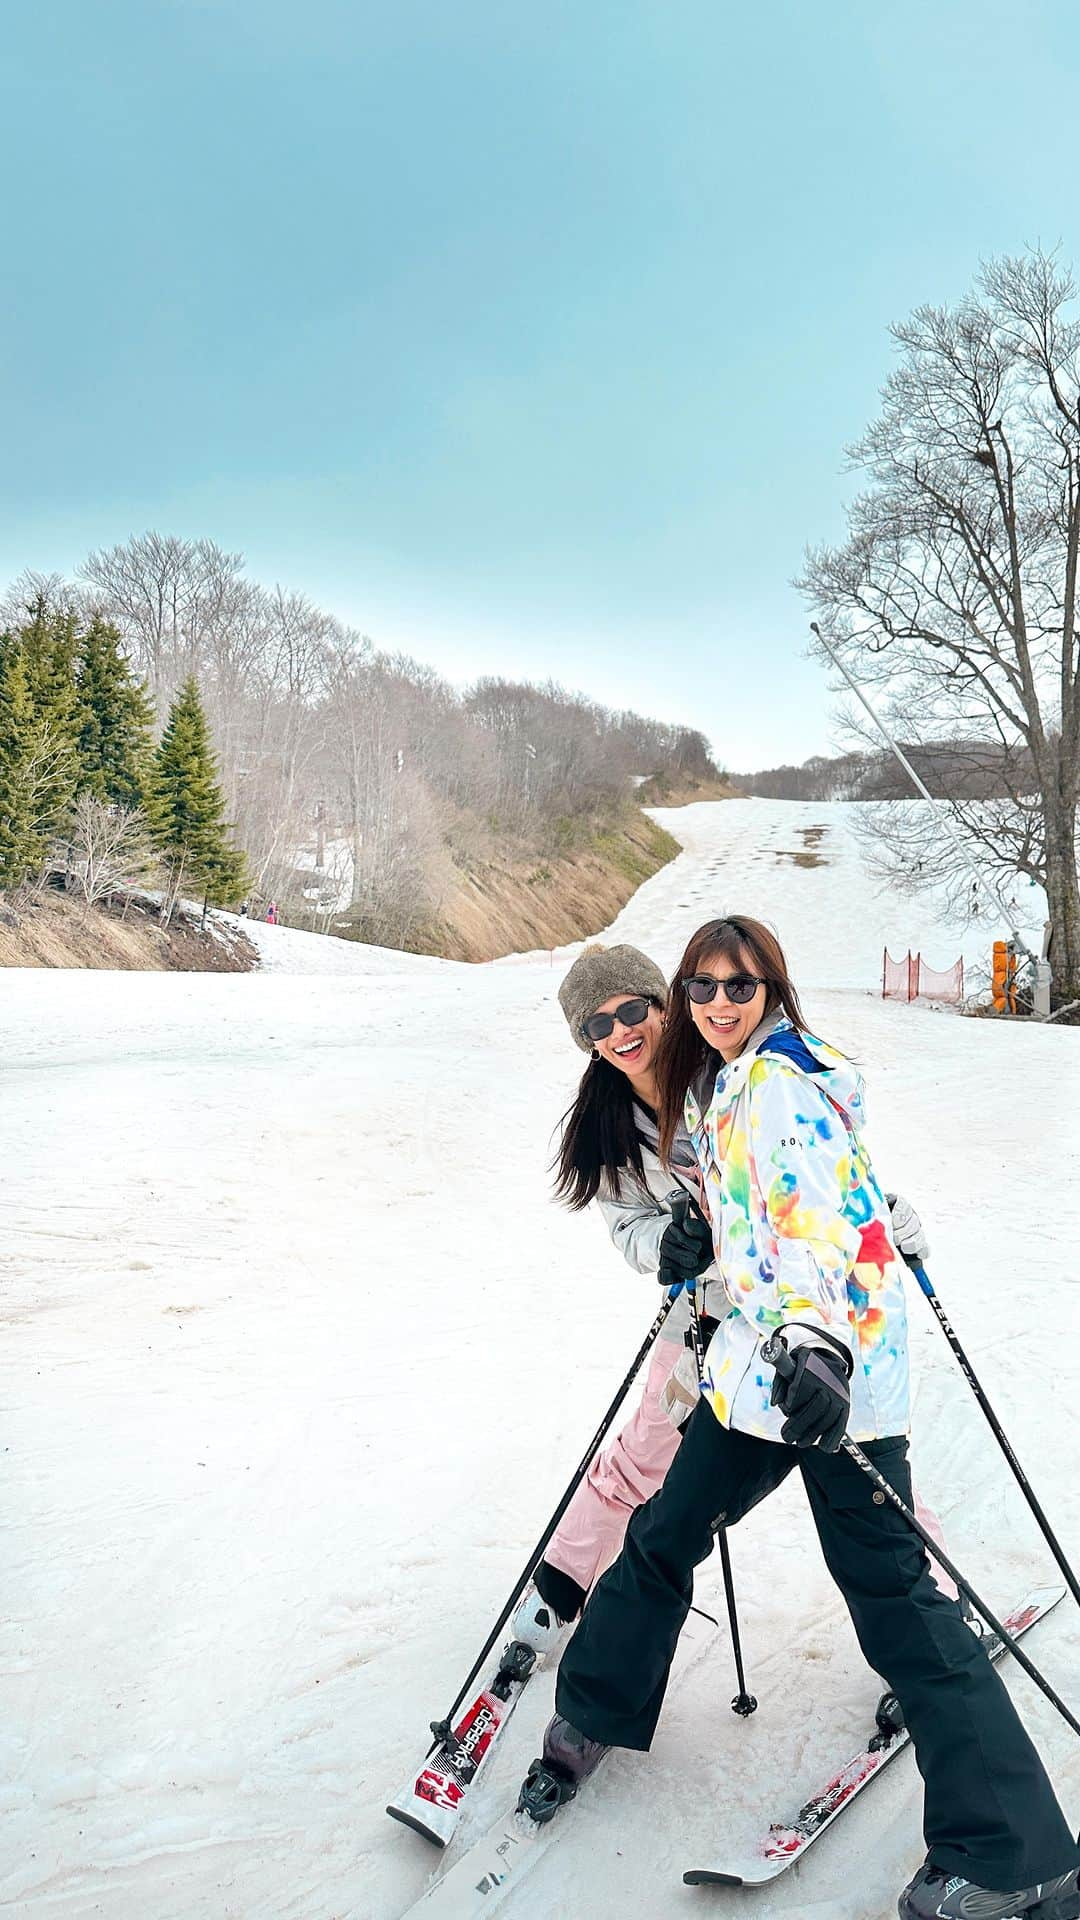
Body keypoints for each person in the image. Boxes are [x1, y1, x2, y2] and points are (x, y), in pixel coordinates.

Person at [533, 917, 1078, 1920]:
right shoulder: (724, 1085)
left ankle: (1013, 1856)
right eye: (703, 986)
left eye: (735, 987)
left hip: (816, 1374)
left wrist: (824, 1330)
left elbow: (813, 1220)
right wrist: (680, 1242)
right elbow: (769, 1210)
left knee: (893, 1594)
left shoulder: (773, 1081)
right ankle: (593, 1709)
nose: (715, 1004)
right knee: (661, 1530)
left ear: (770, 989)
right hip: (748, 1373)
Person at [512, 942, 948, 1654]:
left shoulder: (728, 1076)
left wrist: (880, 1209)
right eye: (598, 1026)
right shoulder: (609, 1126)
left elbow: (814, 1161)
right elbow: (628, 1226)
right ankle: (560, 1585)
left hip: (786, 1309)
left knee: (856, 1454)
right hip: (700, 1316)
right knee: (644, 1447)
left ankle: (938, 1606)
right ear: (585, 1044)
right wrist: (665, 1248)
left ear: (662, 1005)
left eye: (632, 1009)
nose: (621, 1032)